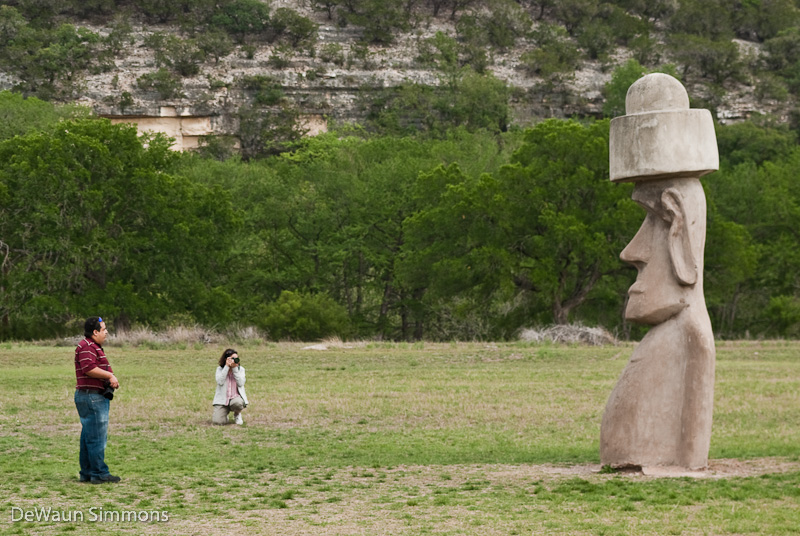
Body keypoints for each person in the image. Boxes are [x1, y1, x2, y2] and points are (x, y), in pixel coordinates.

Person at [74, 316, 121, 484]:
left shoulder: (90, 346)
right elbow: (88, 368)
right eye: (104, 329)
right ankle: (99, 473)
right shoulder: (87, 346)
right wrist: (109, 375)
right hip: (93, 397)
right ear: (95, 332)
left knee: (88, 435)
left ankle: (87, 472)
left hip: (88, 395)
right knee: (97, 437)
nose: (106, 332)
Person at [212, 348, 248, 425]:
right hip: (222, 400)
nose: (235, 360)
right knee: (218, 422)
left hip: (235, 398)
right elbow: (220, 382)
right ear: (226, 359)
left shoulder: (241, 370)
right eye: (232, 358)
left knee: (238, 403)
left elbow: (241, 383)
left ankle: (237, 414)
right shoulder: (219, 369)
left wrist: (235, 369)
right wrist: (226, 367)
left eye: (236, 358)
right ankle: (224, 415)